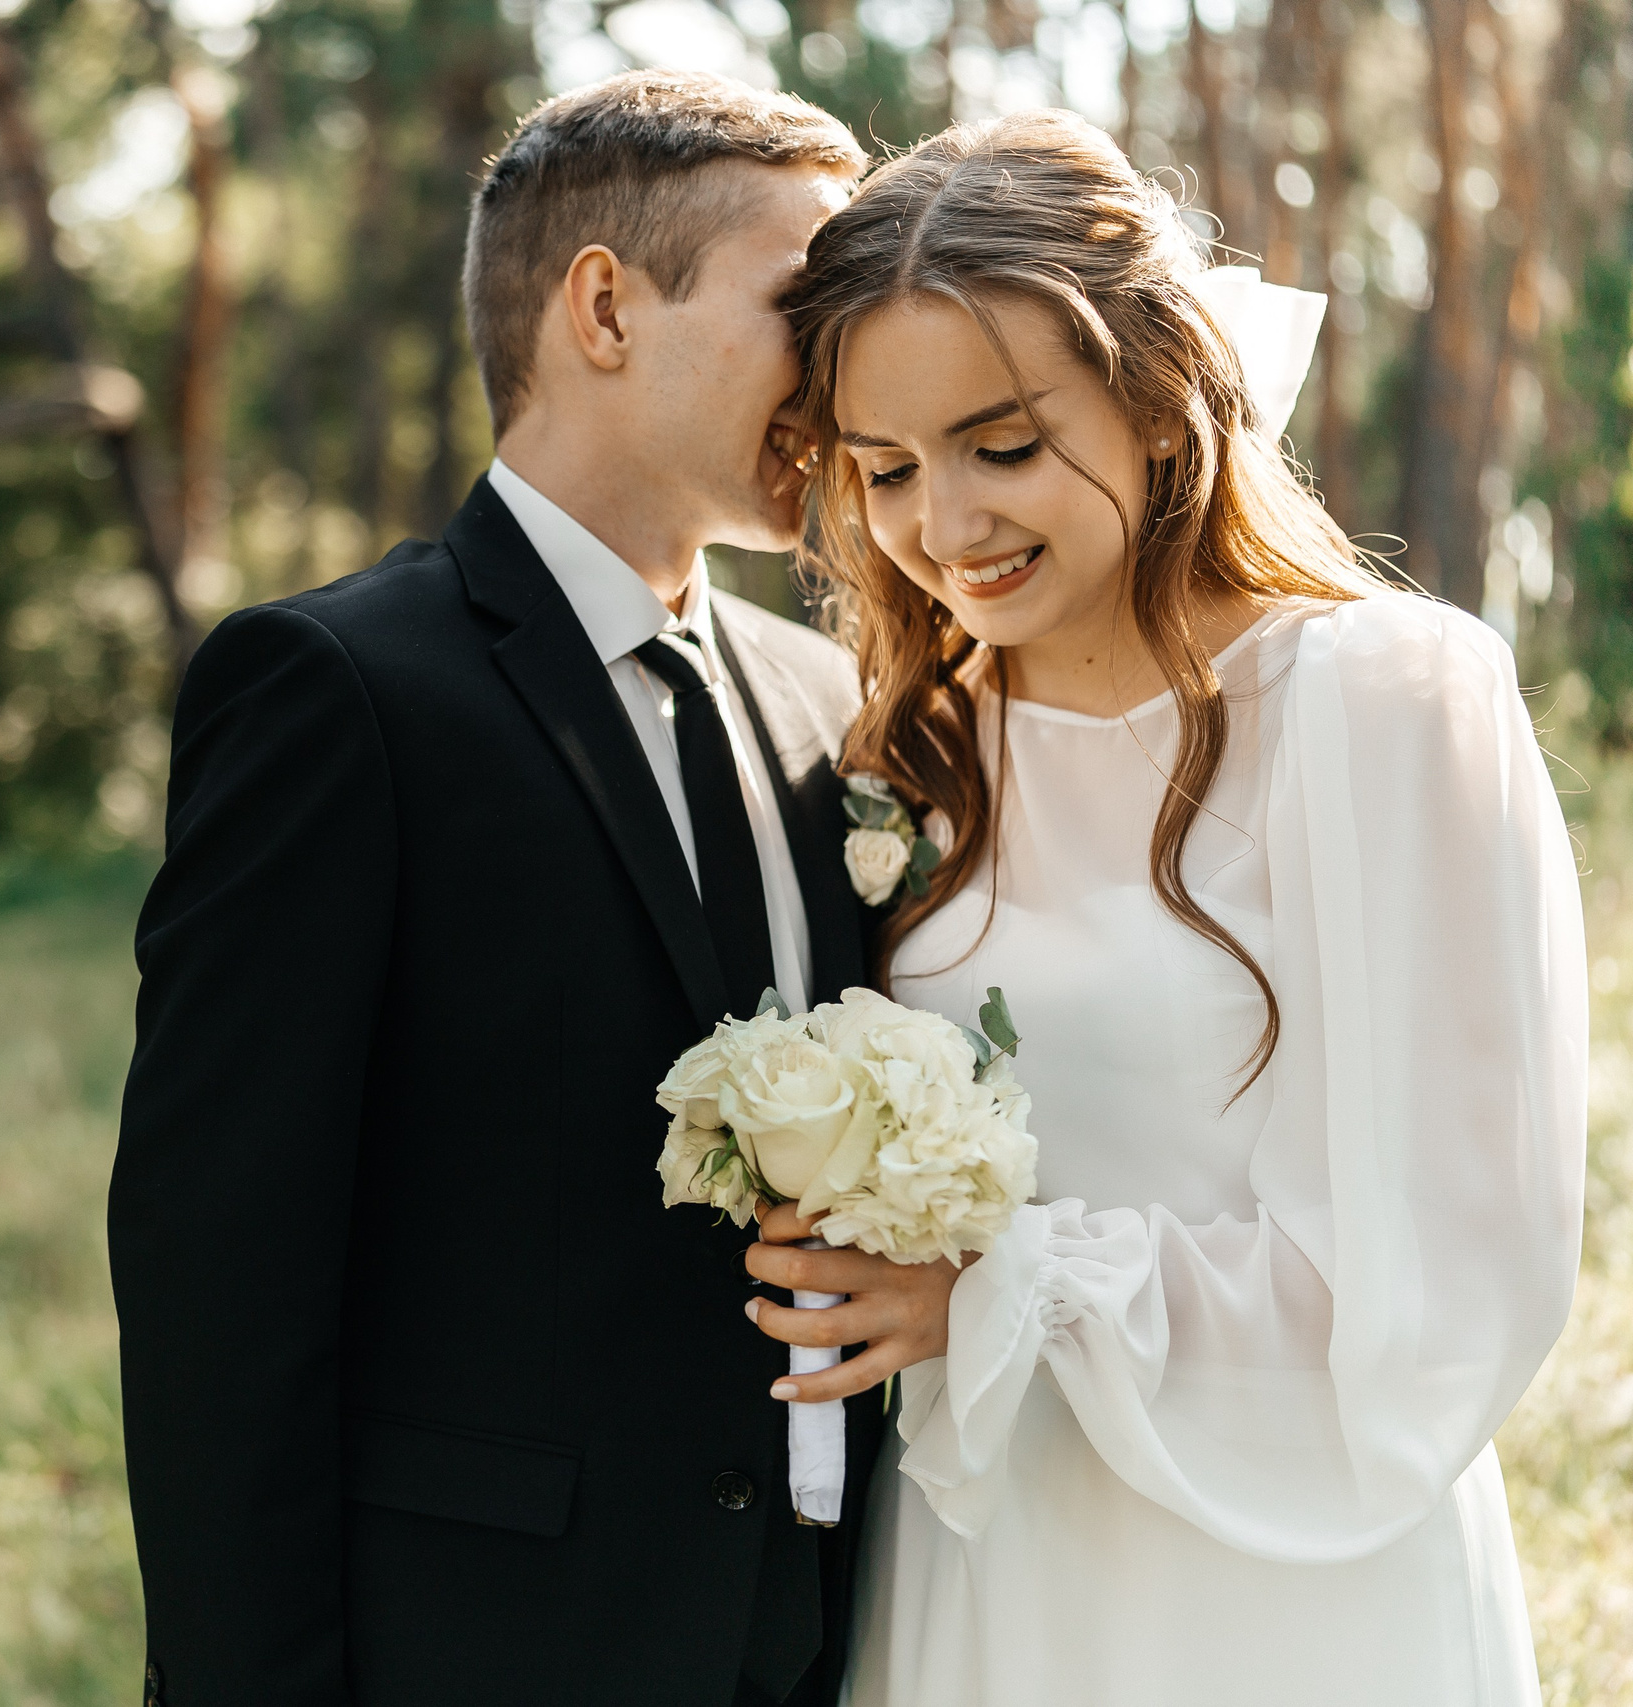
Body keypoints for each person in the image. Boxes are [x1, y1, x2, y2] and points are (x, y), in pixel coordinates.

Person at [110, 70, 950, 1707]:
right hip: (473, 1646)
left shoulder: (820, 695)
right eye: (805, 308)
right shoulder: (337, 687)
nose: (845, 378)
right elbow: (220, 1280)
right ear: (603, 309)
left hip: (809, 1631)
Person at [736, 109, 1586, 1704]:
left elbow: (1448, 1271)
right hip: (983, 1555)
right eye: (888, 470)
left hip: (1285, 1574)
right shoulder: (916, 744)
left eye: (1002, 445)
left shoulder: (1383, 700)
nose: (948, 528)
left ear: (1154, 396)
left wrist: (996, 1289)